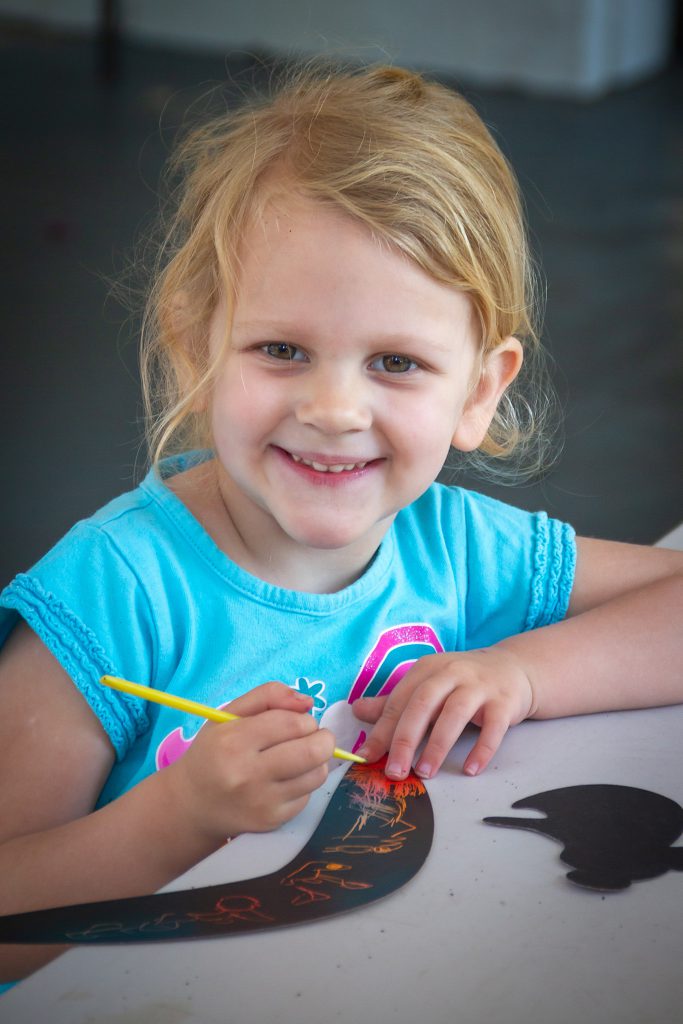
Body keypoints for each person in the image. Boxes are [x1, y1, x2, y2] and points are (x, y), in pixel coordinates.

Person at [0, 63, 680, 985]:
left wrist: (520, 671)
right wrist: (179, 819)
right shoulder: (112, 594)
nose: (332, 408)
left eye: (395, 362)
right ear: (194, 345)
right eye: (281, 350)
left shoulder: (458, 546)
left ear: (478, 392)